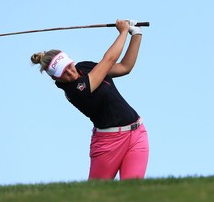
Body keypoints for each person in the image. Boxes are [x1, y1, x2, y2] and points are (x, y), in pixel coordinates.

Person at [31, 19, 149, 180]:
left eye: (69, 66)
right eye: (63, 73)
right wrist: (122, 32)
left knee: (133, 192)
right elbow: (109, 60)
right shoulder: (74, 91)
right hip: (108, 143)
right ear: (56, 79)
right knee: (96, 194)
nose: (70, 73)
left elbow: (124, 67)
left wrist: (136, 34)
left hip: (137, 133)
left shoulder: (84, 66)